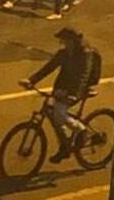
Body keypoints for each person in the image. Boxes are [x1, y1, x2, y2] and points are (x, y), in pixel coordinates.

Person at [19, 28, 101, 163]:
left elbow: (83, 76)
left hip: (79, 89)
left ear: (73, 41)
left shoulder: (85, 54)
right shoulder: (63, 53)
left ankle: (82, 130)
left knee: (59, 114)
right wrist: (31, 80)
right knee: (54, 114)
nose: (62, 43)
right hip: (62, 87)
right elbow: (49, 67)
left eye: (64, 40)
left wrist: (73, 95)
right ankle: (65, 146)